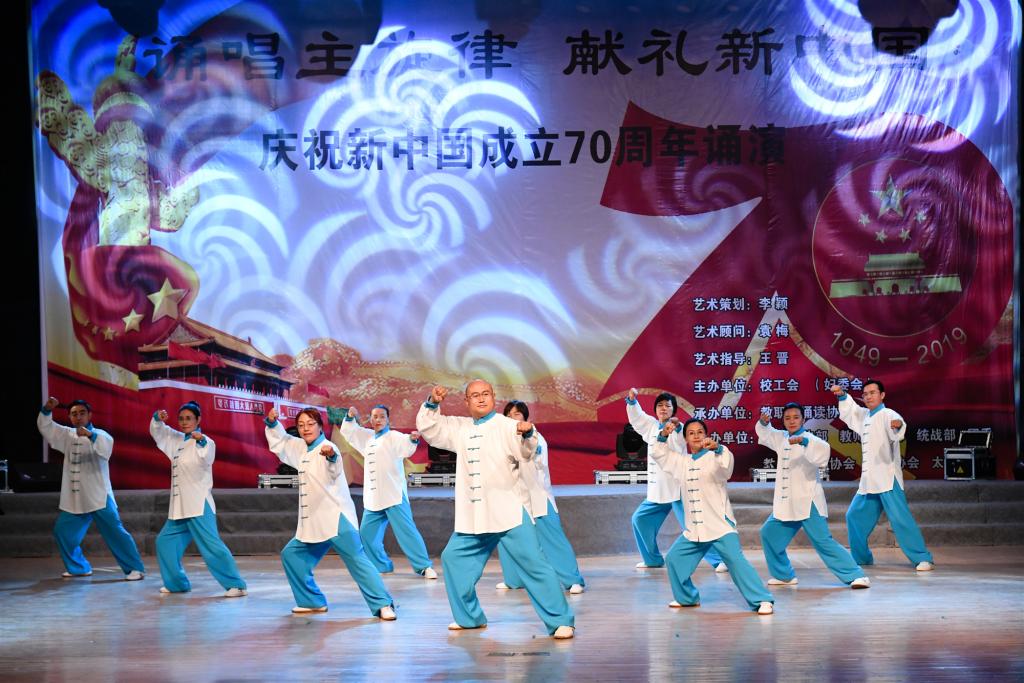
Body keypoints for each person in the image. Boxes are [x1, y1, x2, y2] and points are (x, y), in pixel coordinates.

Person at [416, 380, 575, 639]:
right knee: (453, 558)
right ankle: (470, 618)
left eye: (485, 394)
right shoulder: (459, 428)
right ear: (466, 401)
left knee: (534, 565)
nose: (481, 399)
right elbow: (430, 428)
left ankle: (561, 621)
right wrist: (433, 402)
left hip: (509, 511)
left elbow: (526, 452)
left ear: (493, 397)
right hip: (474, 515)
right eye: (475, 395)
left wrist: (527, 434)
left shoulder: (508, 426)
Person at [264, 406, 396, 619]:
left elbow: (334, 469)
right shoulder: (299, 447)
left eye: (310, 424)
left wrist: (332, 457)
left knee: (357, 560)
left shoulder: (328, 447)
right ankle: (311, 601)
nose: (306, 429)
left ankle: (383, 604)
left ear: (319, 426)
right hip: (313, 521)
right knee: (292, 555)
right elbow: (281, 442)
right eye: (301, 425)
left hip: (336, 518)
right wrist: (272, 423)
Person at [650, 418, 775, 614]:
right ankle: (687, 597)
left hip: (719, 525)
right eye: (691, 433)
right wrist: (664, 434)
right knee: (674, 559)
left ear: (706, 435)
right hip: (695, 528)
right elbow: (659, 453)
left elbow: (727, 467)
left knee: (736, 561)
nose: (696, 436)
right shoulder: (681, 462)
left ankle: (762, 599)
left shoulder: (716, 456)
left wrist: (718, 448)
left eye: (700, 432)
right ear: (685, 439)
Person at [755, 403, 870, 588]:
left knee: (822, 541)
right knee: (769, 533)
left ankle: (856, 575)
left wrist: (804, 442)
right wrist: (763, 423)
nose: (792, 421)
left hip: (808, 501)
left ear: (803, 419)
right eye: (787, 418)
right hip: (786, 504)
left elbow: (822, 454)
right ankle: (784, 576)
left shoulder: (811, 439)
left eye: (796, 417)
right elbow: (766, 433)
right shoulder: (781, 438)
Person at [36, 397, 145, 580]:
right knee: (63, 532)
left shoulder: (101, 435)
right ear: (70, 417)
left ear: (90, 415)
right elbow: (46, 427)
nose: (78, 417)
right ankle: (78, 567)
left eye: (82, 413)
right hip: (75, 499)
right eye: (74, 414)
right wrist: (47, 410)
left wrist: (90, 435)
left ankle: (135, 568)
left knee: (115, 532)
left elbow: (106, 449)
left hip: (98, 496)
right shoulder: (67, 435)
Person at [832, 380, 934, 571]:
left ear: (882, 395)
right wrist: (843, 396)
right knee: (854, 516)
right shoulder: (865, 415)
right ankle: (861, 558)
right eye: (865, 394)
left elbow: (897, 426)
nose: (868, 396)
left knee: (900, 519)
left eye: (872, 392)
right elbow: (851, 412)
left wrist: (897, 426)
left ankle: (922, 557)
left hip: (887, 478)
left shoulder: (888, 414)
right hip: (869, 480)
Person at [150, 402, 247, 597]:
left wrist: (200, 440)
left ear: (198, 420)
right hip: (179, 506)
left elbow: (207, 455)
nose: (184, 422)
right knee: (165, 542)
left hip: (198, 504)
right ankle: (177, 584)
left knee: (212, 546)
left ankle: (237, 585)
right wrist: (157, 418)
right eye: (181, 419)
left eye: (189, 418)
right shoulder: (177, 440)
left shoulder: (206, 441)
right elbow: (159, 432)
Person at [625, 389, 724, 571]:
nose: (663, 408)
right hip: (658, 489)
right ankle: (652, 560)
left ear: (674, 410)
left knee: (694, 524)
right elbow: (637, 417)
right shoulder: (651, 425)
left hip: (678, 487)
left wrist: (677, 428)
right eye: (660, 405)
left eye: (667, 405)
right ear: (655, 409)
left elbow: (679, 442)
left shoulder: (679, 428)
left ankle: (718, 560)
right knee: (640, 519)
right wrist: (632, 401)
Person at [494, 400, 585, 595]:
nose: (512, 418)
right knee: (508, 537)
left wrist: (527, 439)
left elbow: (536, 459)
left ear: (525, 418)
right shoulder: (503, 439)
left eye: (517, 414)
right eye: (508, 415)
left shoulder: (534, 436)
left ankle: (572, 580)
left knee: (552, 539)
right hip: (513, 497)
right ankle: (513, 579)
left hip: (537, 496)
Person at [337, 404, 437, 579]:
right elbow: (350, 432)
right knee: (367, 534)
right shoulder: (366, 437)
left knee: (407, 532)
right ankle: (382, 565)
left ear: (388, 419)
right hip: (374, 497)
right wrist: (350, 416)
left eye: (382, 416)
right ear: (371, 419)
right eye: (375, 416)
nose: (378, 420)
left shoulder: (394, 437)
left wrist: (412, 439)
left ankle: (424, 566)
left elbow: (406, 445)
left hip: (393, 494)